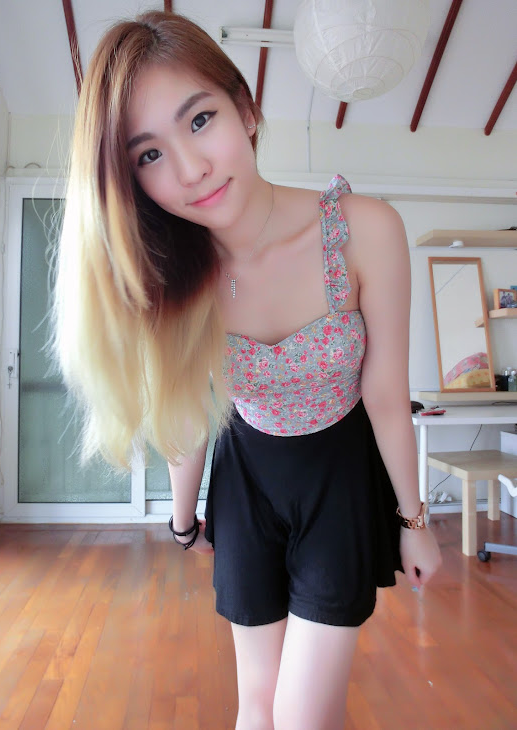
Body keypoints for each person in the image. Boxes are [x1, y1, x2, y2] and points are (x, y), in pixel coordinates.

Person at [54, 9, 442, 730]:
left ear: (247, 107)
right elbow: (186, 412)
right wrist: (183, 520)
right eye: (149, 155)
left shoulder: (363, 230)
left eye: (200, 120)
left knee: (301, 717)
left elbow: (387, 394)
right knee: (256, 708)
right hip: (245, 485)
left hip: (338, 479)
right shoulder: (173, 276)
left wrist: (413, 519)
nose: (190, 169)